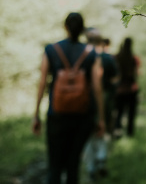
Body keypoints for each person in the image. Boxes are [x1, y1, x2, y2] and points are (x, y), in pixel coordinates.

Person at [32, 12, 105, 184]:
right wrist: (100, 118)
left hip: (56, 115)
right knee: (73, 166)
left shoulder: (51, 50)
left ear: (65, 27)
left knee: (55, 166)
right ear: (82, 30)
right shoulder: (91, 53)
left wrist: (36, 114)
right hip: (83, 116)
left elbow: (42, 82)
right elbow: (97, 87)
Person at [83, 30, 117, 181]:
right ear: (102, 43)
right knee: (102, 129)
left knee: (88, 134)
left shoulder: (82, 58)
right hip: (104, 99)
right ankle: (101, 158)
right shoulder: (108, 59)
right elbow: (116, 78)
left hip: (84, 101)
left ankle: (91, 166)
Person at [114, 37, 140, 138]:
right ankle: (130, 133)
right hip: (131, 89)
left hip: (119, 90)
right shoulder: (133, 58)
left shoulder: (116, 57)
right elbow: (136, 74)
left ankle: (117, 131)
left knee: (119, 112)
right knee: (131, 113)